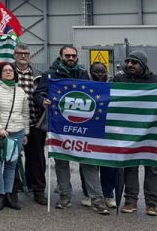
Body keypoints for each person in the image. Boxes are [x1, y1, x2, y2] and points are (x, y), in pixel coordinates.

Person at [35, 46, 105, 213]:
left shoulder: (83, 74)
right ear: (61, 57)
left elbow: (93, 94)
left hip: (83, 125)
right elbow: (38, 93)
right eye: (67, 55)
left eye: (73, 55)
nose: (71, 58)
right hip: (60, 126)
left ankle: (97, 199)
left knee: (89, 162)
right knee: (61, 162)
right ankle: (64, 196)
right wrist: (43, 100)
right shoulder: (50, 74)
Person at [113, 50, 157, 216]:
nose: (130, 65)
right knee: (130, 166)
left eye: (134, 62)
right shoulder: (119, 79)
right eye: (128, 61)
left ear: (143, 64)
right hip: (128, 131)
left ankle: (151, 203)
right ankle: (130, 201)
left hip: (151, 131)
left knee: (151, 167)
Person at [0, 62, 29, 211]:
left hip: (18, 132)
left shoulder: (21, 91)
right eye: (5, 70)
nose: (9, 72)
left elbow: (25, 113)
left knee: (11, 165)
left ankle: (8, 195)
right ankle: (0, 195)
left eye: (11, 70)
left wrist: (26, 132)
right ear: (0, 73)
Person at [79, 62, 117, 210]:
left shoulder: (114, 85)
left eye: (102, 71)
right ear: (90, 72)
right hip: (89, 129)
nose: (99, 74)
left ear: (106, 71)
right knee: (87, 162)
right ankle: (88, 194)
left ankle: (108, 194)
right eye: (96, 71)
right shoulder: (85, 85)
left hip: (109, 129)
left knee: (109, 164)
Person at [11, 43, 44, 205]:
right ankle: (13, 189)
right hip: (13, 123)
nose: (23, 56)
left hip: (34, 122)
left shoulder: (38, 75)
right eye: (20, 53)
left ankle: (38, 190)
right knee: (12, 157)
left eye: (26, 53)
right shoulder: (8, 72)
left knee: (37, 158)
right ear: (14, 55)